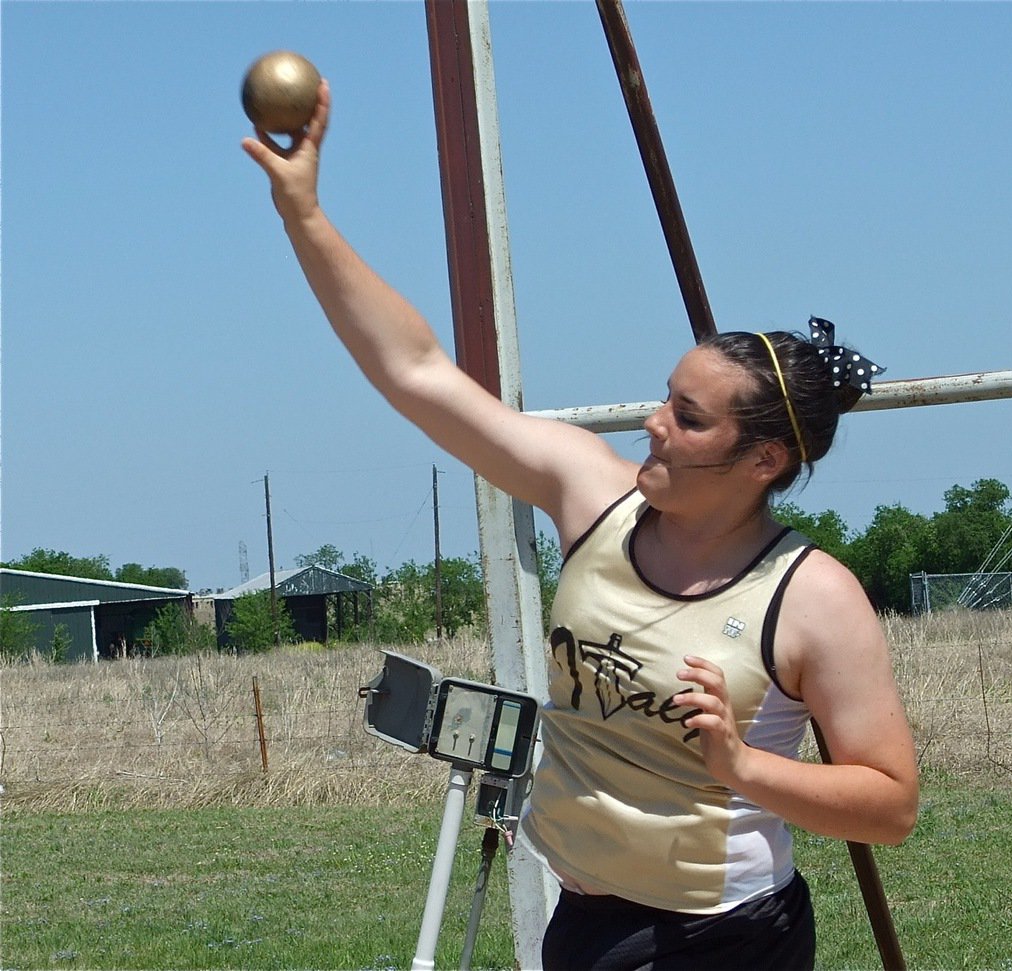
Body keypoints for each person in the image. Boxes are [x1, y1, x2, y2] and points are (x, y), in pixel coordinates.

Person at [244, 81, 918, 971]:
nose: (653, 423)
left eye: (688, 417)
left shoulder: (811, 597)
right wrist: (305, 215)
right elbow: (418, 372)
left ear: (763, 460)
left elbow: (890, 805)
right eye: (665, 397)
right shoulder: (591, 494)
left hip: (718, 938)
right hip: (587, 924)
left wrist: (743, 767)